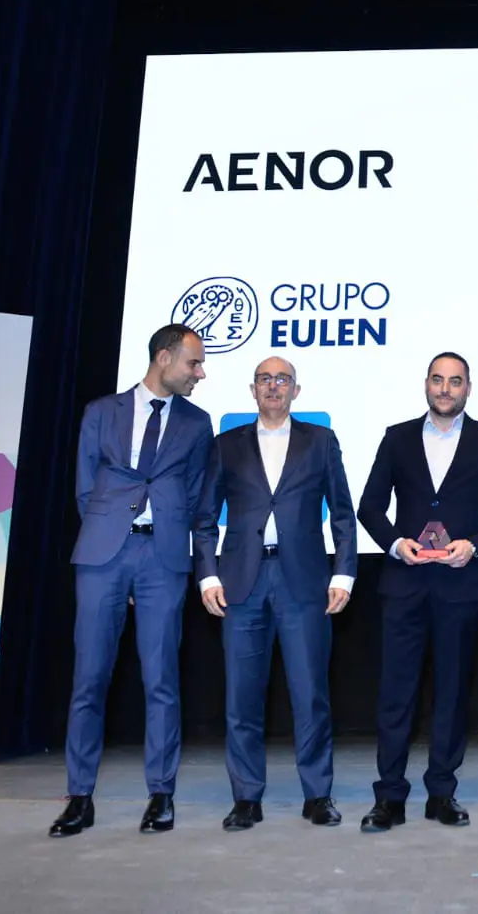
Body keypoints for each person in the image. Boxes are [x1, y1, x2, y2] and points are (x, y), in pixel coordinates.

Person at [51, 323, 216, 838]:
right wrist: (111, 533)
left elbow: (200, 497)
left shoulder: (198, 423)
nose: (200, 373)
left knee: (161, 679)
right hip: (104, 555)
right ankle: (79, 797)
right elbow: (84, 488)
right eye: (193, 363)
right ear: (164, 358)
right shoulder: (102, 412)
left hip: (162, 558)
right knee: (89, 678)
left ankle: (161, 795)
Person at [355, 352, 478, 833]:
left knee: (451, 694)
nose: (445, 389)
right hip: (404, 583)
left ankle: (441, 793)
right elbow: (369, 506)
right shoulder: (397, 437)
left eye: (455, 381)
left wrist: (476, 546)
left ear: (469, 388)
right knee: (395, 695)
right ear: (425, 385)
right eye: (437, 380)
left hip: (462, 585)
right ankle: (388, 797)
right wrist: (394, 543)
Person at [196, 356, 357, 831]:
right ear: (252, 390)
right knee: (242, 697)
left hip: (304, 583)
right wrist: (207, 575)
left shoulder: (320, 442)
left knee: (310, 695)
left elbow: (343, 514)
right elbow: (204, 519)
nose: (273, 386)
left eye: (282, 379)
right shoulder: (226, 445)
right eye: (265, 379)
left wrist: (343, 574)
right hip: (241, 583)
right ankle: (246, 797)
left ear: (296, 391)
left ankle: (318, 795)